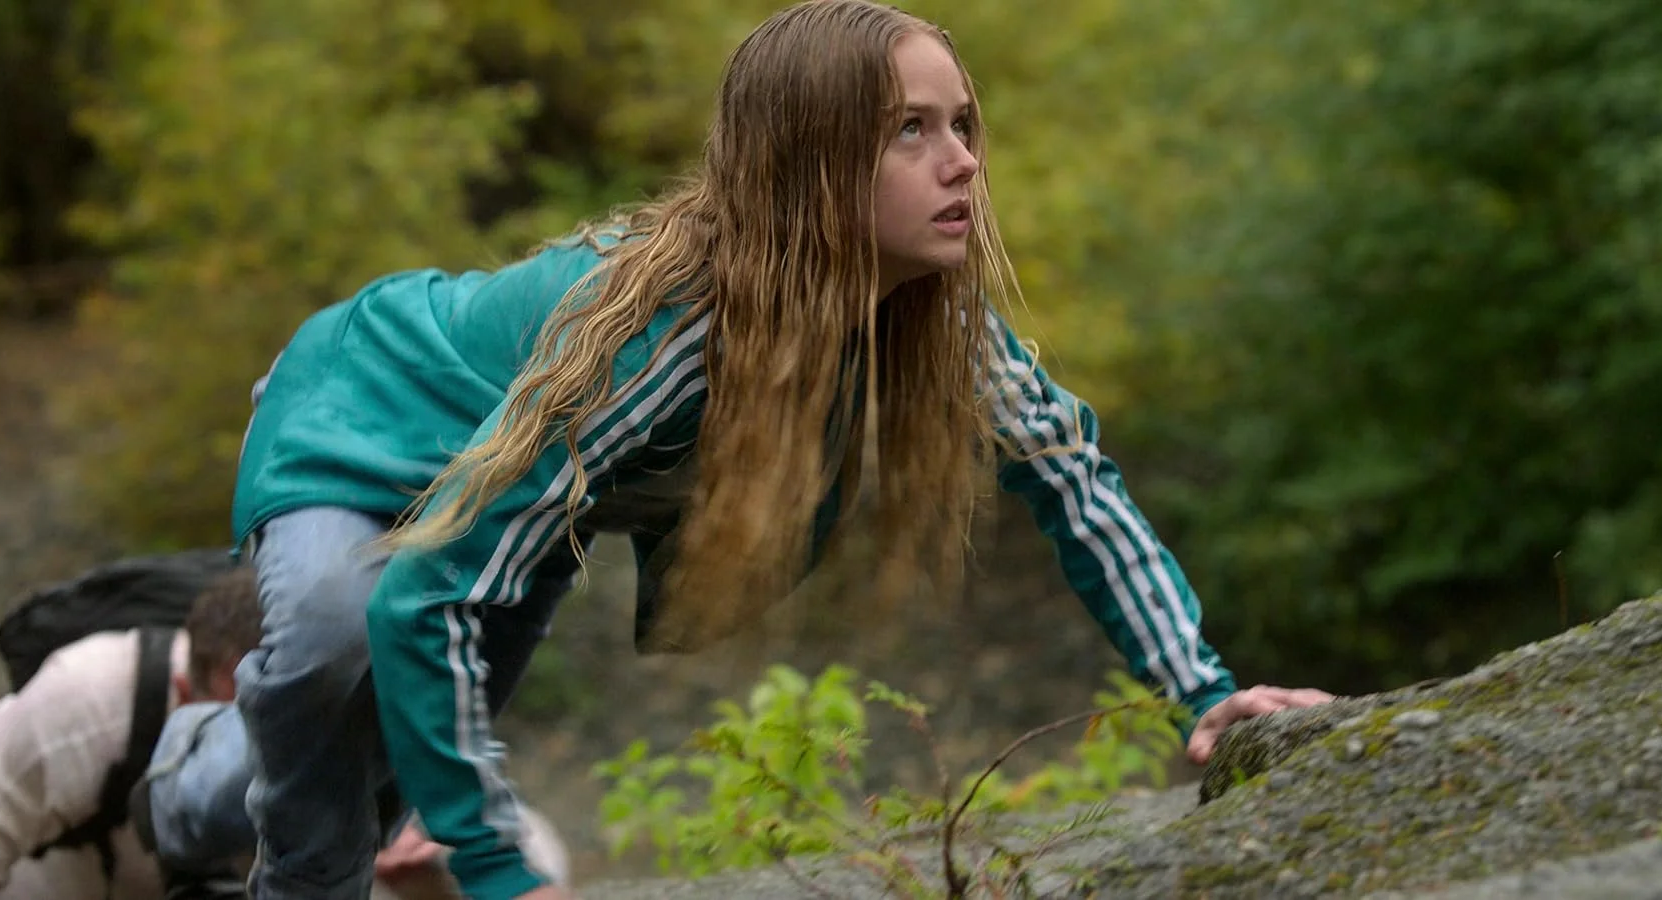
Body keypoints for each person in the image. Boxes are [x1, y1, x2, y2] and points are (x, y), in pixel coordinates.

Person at [148, 2, 1336, 898]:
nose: (964, 160)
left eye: (963, 125)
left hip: (524, 485)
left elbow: (1076, 485)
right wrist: (502, 872)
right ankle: (181, 777)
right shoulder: (668, 337)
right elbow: (426, 598)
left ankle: (244, 786)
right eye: (909, 131)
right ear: (806, 166)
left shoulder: (938, 329)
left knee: (379, 761)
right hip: (359, 407)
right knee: (337, 645)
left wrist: (1207, 690)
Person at [0, 564, 264, 900]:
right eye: (229, 730)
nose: (239, 755)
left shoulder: (290, 720)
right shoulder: (84, 704)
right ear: (184, 693)